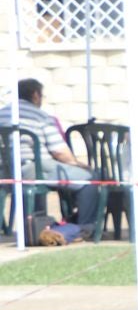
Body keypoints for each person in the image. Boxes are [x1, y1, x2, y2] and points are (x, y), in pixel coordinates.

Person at [11, 78, 102, 233]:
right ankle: (85, 226)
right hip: (34, 168)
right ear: (35, 95)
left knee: (69, 177)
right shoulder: (40, 116)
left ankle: (70, 219)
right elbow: (59, 152)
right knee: (89, 178)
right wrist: (79, 164)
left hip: (8, 171)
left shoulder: (3, 113)